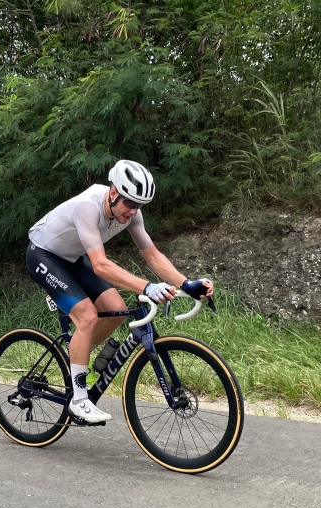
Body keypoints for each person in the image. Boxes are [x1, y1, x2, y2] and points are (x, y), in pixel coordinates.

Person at [25, 160, 213, 423]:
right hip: (43, 255)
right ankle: (79, 401)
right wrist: (147, 286)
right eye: (130, 203)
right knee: (88, 317)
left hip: (73, 259)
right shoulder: (88, 207)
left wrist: (186, 283)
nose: (133, 211)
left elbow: (153, 256)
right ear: (113, 193)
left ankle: (78, 359)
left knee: (115, 311)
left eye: (139, 206)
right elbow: (100, 265)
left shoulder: (132, 213)